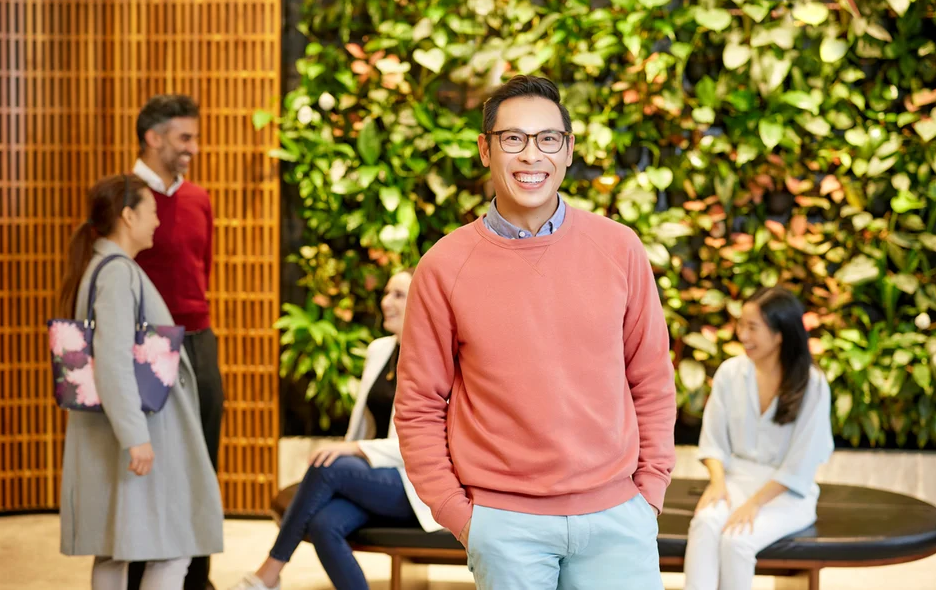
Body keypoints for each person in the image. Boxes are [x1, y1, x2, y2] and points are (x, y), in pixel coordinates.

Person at [394, 75, 677, 589]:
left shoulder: (619, 248)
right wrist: (461, 516)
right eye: (513, 139)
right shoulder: (442, 266)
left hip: (618, 517)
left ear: (568, 150)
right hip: (505, 527)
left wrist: (649, 491)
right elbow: (418, 405)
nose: (532, 155)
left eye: (548, 139)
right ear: (485, 149)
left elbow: (652, 378)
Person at [57, 174, 223, 590]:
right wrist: (136, 436)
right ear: (128, 216)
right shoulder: (117, 273)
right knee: (173, 543)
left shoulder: (104, 266)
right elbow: (113, 360)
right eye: (150, 213)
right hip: (139, 429)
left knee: (116, 550)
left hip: (112, 429)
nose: (157, 223)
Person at [230, 269, 442, 590]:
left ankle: (267, 573)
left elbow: (423, 443)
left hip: (413, 485)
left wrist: (352, 451)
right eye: (386, 293)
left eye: (399, 294)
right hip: (374, 474)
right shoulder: (380, 350)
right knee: (323, 523)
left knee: (329, 466)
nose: (387, 302)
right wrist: (353, 450)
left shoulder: (433, 359)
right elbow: (365, 425)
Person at [128, 94, 223, 590]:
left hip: (199, 338)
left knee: (203, 461)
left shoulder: (199, 198)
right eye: (185, 137)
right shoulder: (122, 198)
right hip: (144, 346)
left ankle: (196, 578)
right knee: (142, 469)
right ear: (153, 137)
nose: (193, 147)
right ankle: (137, 575)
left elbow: (199, 269)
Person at [683, 286, 834, 590]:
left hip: (787, 494)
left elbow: (801, 464)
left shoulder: (812, 385)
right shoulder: (730, 373)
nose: (743, 335)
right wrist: (717, 483)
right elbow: (713, 439)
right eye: (741, 325)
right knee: (705, 523)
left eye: (752, 327)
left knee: (735, 541)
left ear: (780, 334)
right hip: (734, 480)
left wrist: (753, 504)